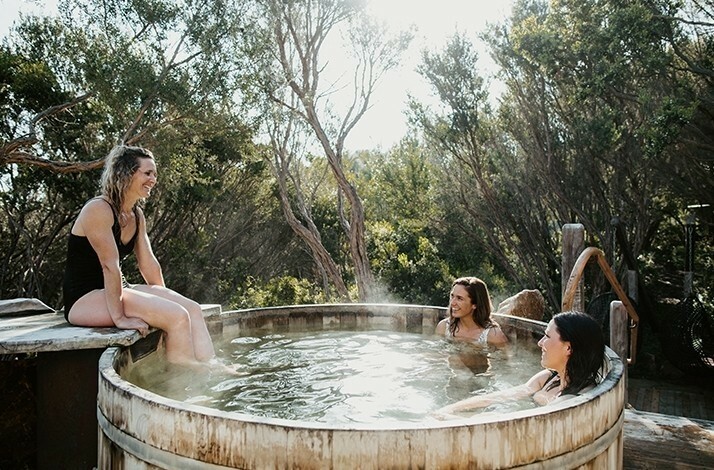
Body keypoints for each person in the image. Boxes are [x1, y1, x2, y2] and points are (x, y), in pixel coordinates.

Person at [62, 145, 216, 367]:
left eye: (154, 174)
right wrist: (119, 318)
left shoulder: (136, 214)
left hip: (117, 291)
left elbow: (149, 264)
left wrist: (163, 296)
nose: (153, 179)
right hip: (84, 299)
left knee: (191, 309)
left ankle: (211, 365)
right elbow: (109, 266)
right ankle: (185, 373)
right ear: (125, 174)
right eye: (147, 173)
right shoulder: (99, 209)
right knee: (176, 316)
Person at [432, 311, 605, 418]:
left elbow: (514, 427)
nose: (540, 343)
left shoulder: (572, 401)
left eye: (547, 337)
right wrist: (451, 408)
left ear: (568, 348)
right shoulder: (548, 378)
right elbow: (499, 397)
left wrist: (451, 422)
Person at [435, 277, 509, 346]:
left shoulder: (493, 335)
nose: (452, 303)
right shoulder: (444, 327)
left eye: (459, 298)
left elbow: (505, 358)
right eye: (452, 296)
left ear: (475, 304)